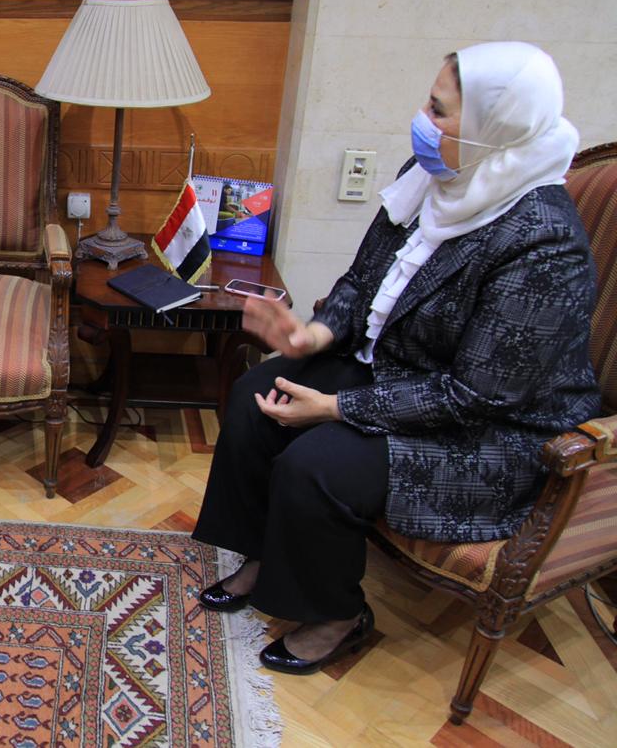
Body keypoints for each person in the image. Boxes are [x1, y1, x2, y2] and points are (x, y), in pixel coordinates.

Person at [192, 42, 599, 675]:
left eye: (440, 111)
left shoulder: (544, 242)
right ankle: (261, 555)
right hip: (399, 369)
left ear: (495, 129)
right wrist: (311, 338)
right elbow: (362, 282)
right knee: (254, 397)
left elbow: (477, 396)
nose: (422, 121)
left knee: (316, 465)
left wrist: (336, 407)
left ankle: (337, 615)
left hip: (490, 430)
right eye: (428, 103)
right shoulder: (431, 174)